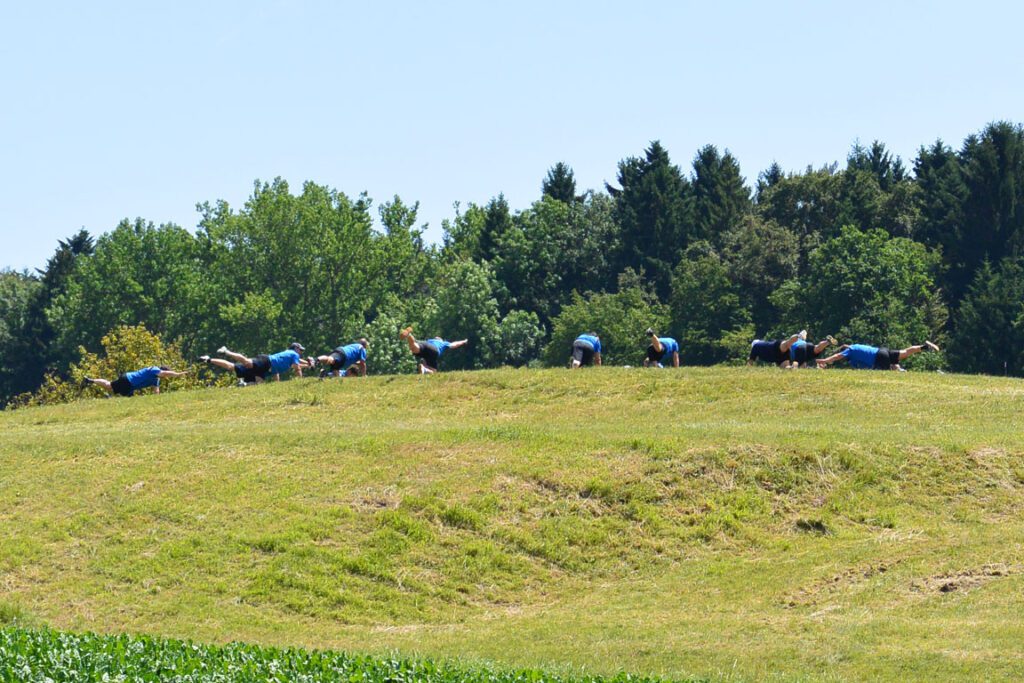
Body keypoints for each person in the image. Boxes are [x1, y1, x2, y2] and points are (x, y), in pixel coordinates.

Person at [198, 342, 312, 385]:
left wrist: (308, 364)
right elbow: (297, 368)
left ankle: (208, 359)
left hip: (266, 369)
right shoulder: (293, 354)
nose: (301, 352)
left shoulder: (290, 357)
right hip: (265, 362)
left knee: (232, 367)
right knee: (247, 362)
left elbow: (296, 364)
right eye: (300, 350)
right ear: (295, 348)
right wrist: (300, 382)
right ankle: (226, 351)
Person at [816, 341, 940, 370]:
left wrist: (825, 360)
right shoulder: (855, 345)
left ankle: (901, 371)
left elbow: (837, 356)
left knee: (891, 370)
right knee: (905, 352)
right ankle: (924, 347)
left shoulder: (850, 353)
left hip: (878, 358)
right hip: (881, 351)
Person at [81, 365, 188, 397]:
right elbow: (164, 373)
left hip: (127, 379)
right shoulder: (155, 369)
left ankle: (90, 381)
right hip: (129, 381)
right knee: (128, 398)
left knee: (109, 385)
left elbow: (156, 393)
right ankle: (109, 398)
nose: (165, 377)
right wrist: (177, 374)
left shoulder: (156, 380)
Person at [399, 327, 467, 374]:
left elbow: (425, 357)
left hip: (424, 344)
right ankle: (425, 369)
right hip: (434, 350)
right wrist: (463, 341)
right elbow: (454, 344)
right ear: (440, 339)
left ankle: (409, 335)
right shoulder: (443, 342)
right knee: (434, 371)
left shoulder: (430, 340)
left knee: (413, 347)